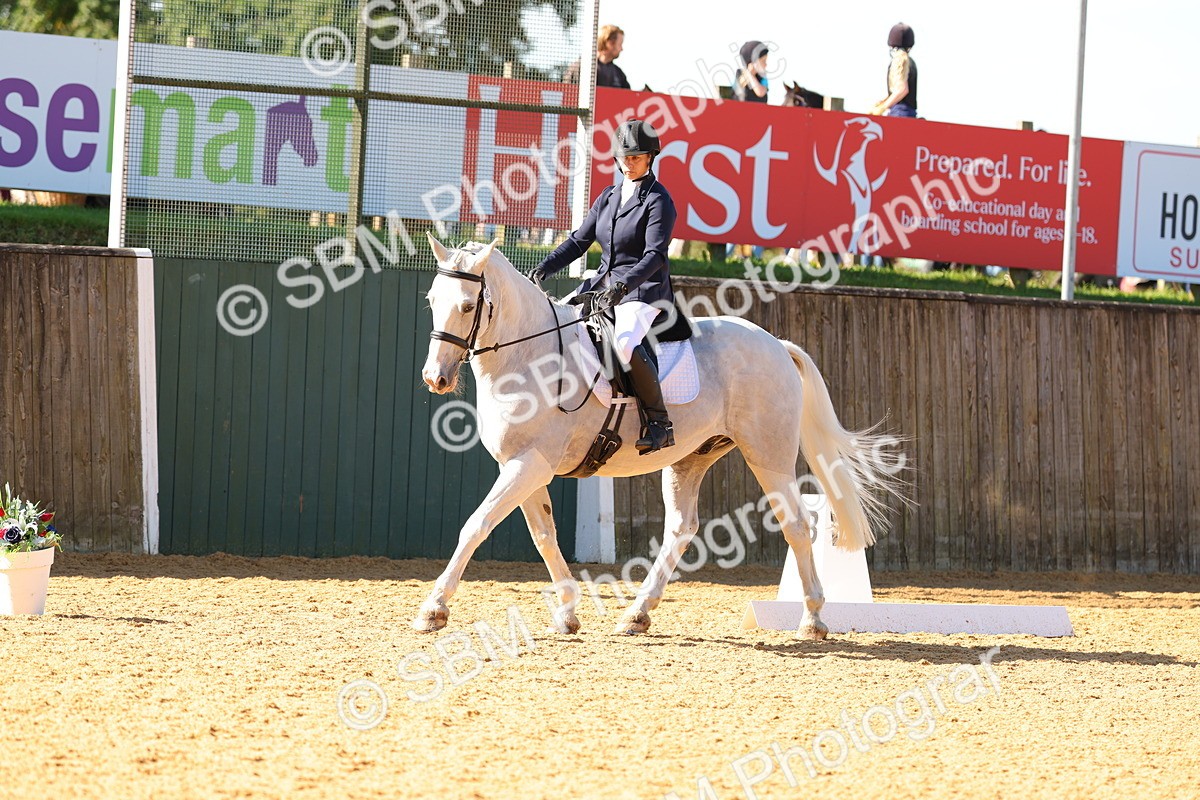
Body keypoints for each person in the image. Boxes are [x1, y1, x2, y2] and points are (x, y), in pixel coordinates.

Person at [531, 120, 677, 455]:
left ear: (651, 156)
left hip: (643, 290)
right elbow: (579, 241)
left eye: (637, 157)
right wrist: (545, 266)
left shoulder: (658, 201)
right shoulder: (608, 197)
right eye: (624, 156)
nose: (629, 162)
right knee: (560, 324)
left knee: (623, 343)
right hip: (601, 285)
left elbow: (655, 255)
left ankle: (659, 423)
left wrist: (624, 287)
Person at [873, 23, 918, 117]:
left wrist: (882, 108)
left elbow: (902, 89)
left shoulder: (900, 59)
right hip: (910, 113)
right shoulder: (911, 62)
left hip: (899, 112)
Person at [595, 24, 631, 89]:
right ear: (609, 43)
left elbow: (628, 97)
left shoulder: (619, 74)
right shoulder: (582, 69)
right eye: (620, 44)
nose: (621, 49)